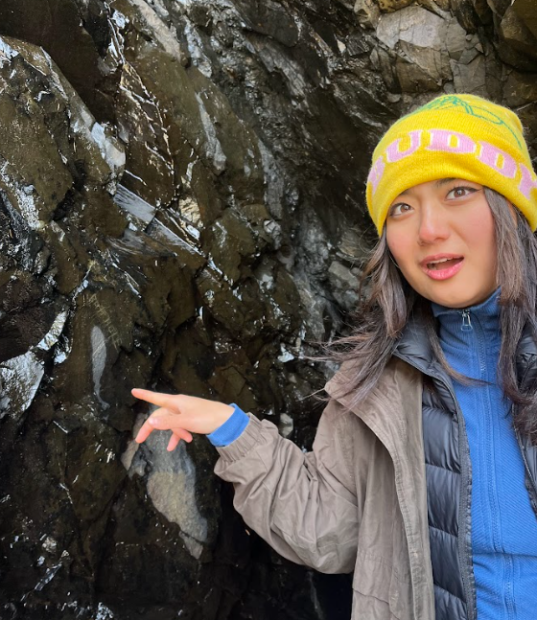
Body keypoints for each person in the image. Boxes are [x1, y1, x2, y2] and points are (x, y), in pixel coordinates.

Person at [132, 94, 537, 620]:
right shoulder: (377, 382)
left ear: (512, 208)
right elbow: (334, 530)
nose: (428, 229)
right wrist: (231, 429)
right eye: (402, 207)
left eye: (458, 191)